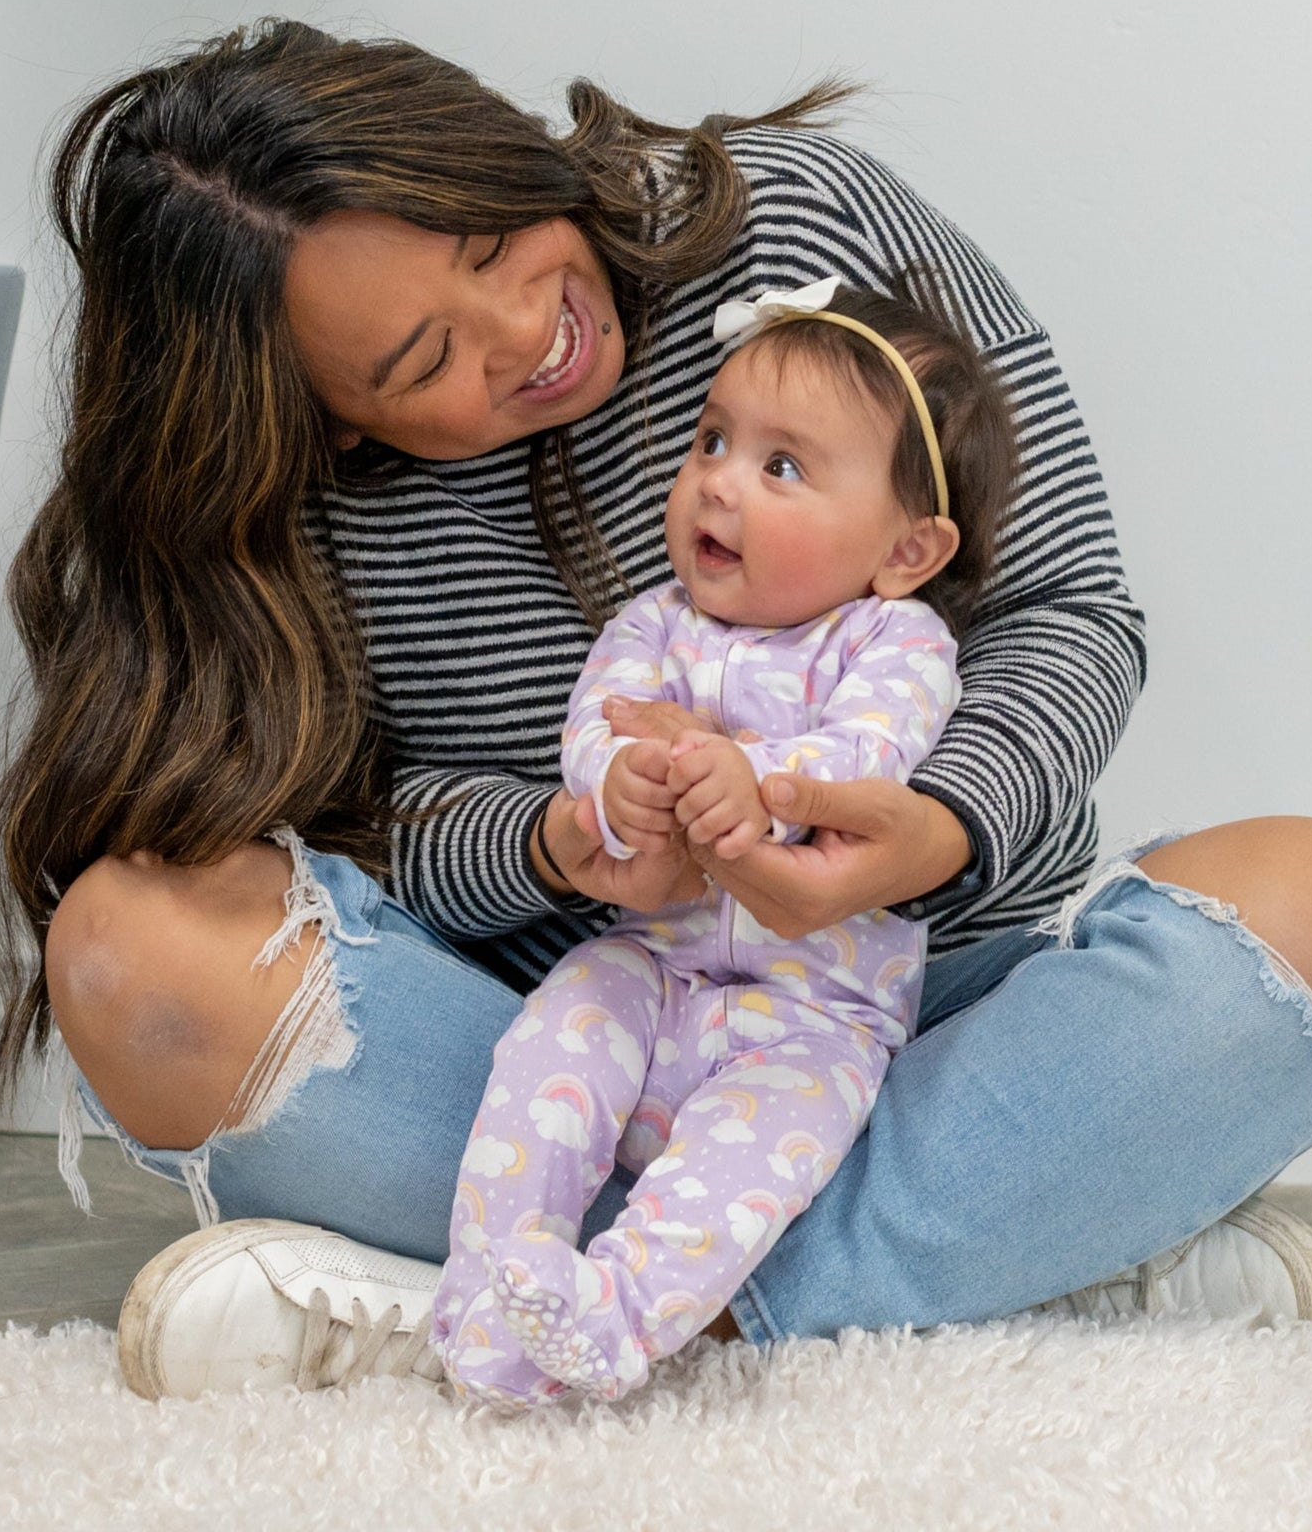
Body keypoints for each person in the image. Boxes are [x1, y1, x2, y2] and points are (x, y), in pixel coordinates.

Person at [0, 20, 1312, 1401]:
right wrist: (552, 846)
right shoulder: (300, 508)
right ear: (328, 419)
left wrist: (933, 828)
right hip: (572, 1035)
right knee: (130, 953)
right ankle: (1008, 1257)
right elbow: (345, 823)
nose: (528, 326)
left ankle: (527, 1303)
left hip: (938, 1007)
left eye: (495, 241)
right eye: (426, 365)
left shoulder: (803, 234)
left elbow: (1069, 606)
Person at [432, 272, 1018, 1407]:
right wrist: (626, 786)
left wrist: (747, 775)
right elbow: (592, 734)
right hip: (647, 966)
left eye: (780, 465)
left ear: (907, 548)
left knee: (737, 1176)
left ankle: (619, 1314)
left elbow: (865, 756)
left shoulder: (892, 639)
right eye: (710, 439)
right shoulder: (650, 623)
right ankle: (485, 1292)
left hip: (810, 1013)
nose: (715, 481)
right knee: (545, 1057)